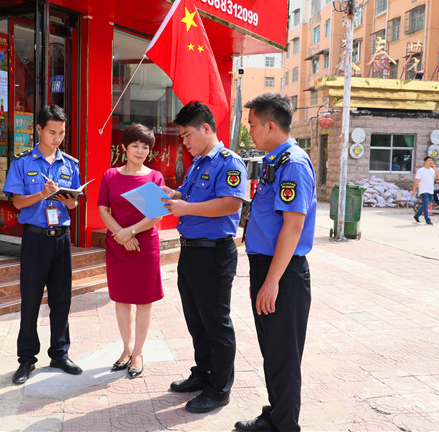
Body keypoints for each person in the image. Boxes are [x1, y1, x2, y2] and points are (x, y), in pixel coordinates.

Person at [233, 93, 316, 432]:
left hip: (282, 273)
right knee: (272, 350)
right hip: (267, 267)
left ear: (270, 126)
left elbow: (293, 226)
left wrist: (271, 282)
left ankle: (285, 426)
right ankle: (276, 415)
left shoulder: (293, 163)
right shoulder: (274, 161)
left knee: (283, 354)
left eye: (253, 125)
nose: (250, 131)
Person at [161, 101, 247, 414]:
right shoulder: (198, 163)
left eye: (187, 134)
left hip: (214, 253)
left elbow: (231, 204)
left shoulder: (229, 162)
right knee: (196, 320)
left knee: (216, 324)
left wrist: (186, 208)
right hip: (191, 251)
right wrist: (173, 195)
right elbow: (188, 195)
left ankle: (219, 389)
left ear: (206, 128)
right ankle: (203, 373)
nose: (184, 141)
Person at [3, 105, 83, 385]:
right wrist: (41, 193)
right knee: (31, 299)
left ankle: (60, 354)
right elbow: (17, 202)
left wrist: (71, 202)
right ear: (38, 129)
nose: (57, 138)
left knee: (62, 298)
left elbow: (74, 202)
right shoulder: (22, 163)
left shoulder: (70, 164)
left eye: (61, 133)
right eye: (52, 132)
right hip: (35, 238)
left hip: (61, 238)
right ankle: (26, 359)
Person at [97, 124, 165, 379]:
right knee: (122, 298)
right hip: (118, 245)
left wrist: (132, 231)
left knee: (144, 300)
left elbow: (157, 214)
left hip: (145, 245)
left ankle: (138, 353)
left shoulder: (154, 177)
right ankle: (126, 349)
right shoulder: (110, 175)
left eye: (145, 147)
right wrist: (121, 235)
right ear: (124, 147)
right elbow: (103, 209)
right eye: (135, 145)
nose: (140, 151)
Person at [411, 156, 439, 225]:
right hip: (423, 190)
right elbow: (417, 181)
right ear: (425, 162)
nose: (431, 162)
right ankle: (428, 219)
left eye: (432, 160)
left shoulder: (432, 170)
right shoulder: (421, 170)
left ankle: (416, 215)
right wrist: (413, 191)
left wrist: (435, 168)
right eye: (429, 160)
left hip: (431, 190)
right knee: (426, 205)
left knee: (425, 204)